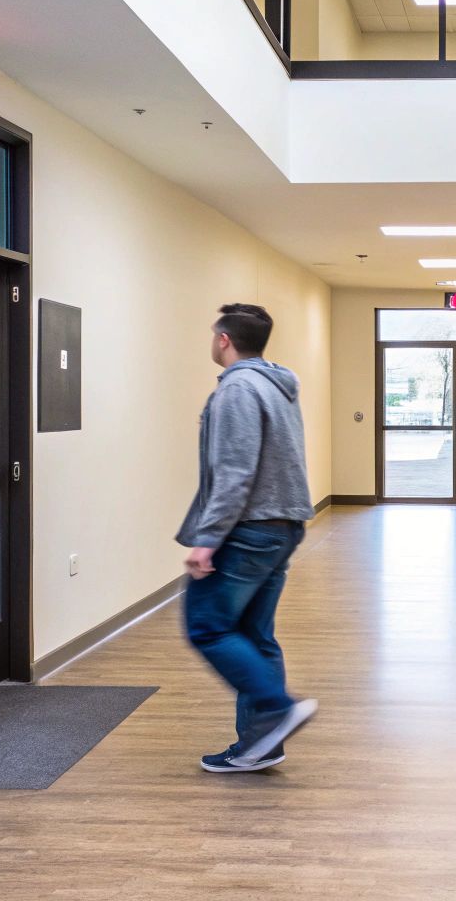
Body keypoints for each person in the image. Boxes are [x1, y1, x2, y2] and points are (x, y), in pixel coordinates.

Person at [178, 303, 318, 772]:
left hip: (249, 529)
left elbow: (235, 472)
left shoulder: (237, 388)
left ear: (224, 340)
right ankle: (260, 744)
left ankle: (277, 708)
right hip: (281, 526)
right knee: (255, 635)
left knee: (208, 626)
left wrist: (208, 539)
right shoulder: (278, 385)